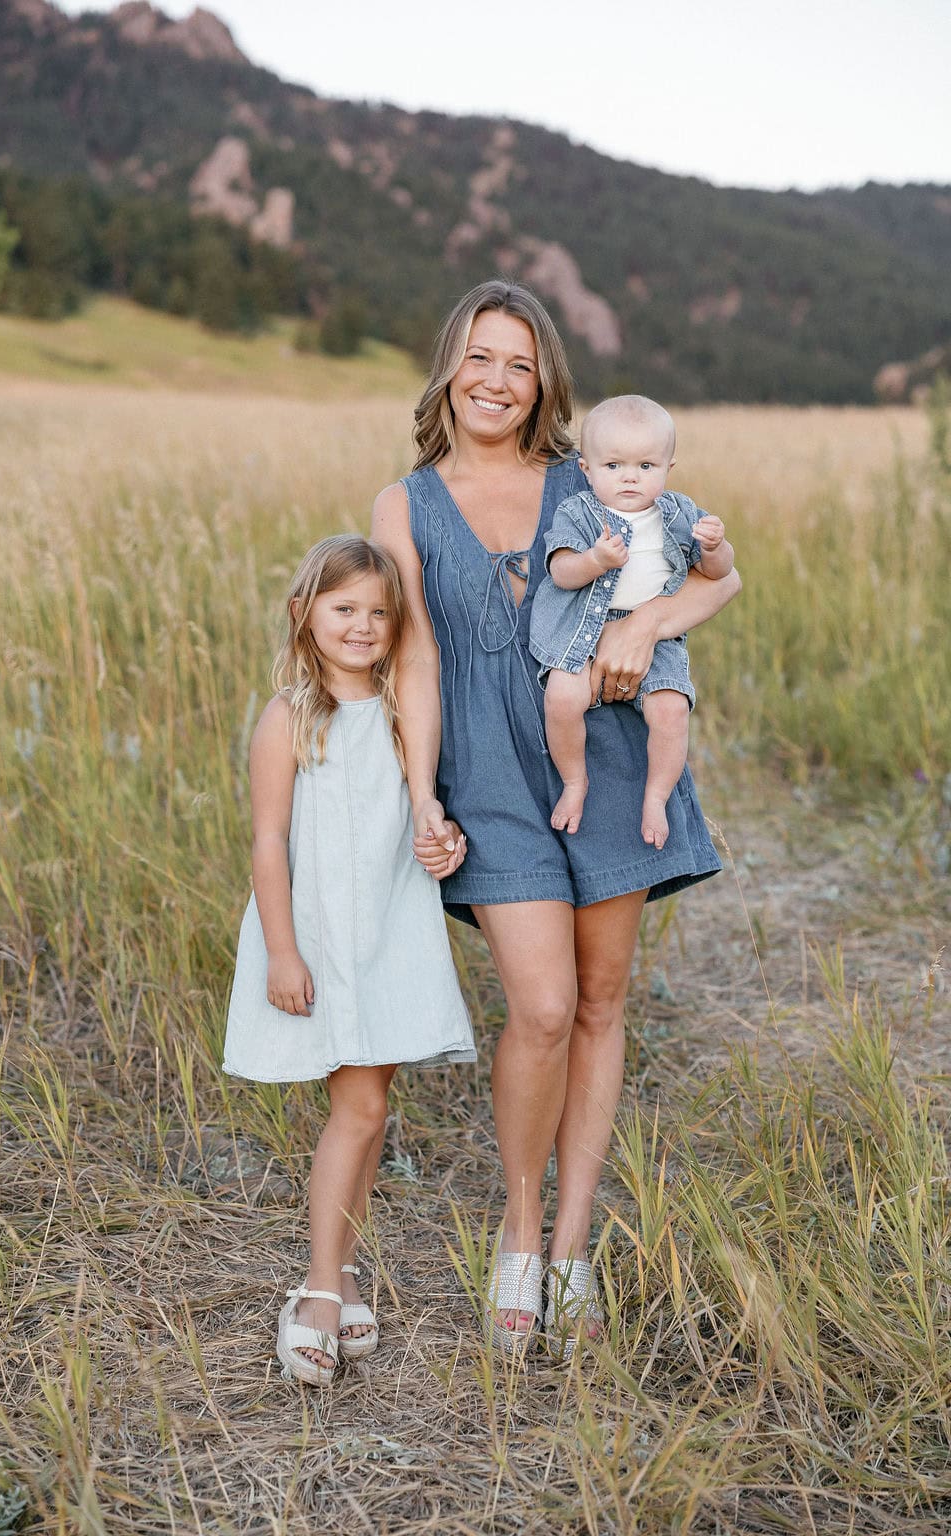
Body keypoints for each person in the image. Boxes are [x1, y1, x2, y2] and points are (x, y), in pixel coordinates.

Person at [372, 280, 739, 1361]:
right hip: (487, 775)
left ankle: (573, 1243)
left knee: (599, 1002)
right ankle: (521, 1232)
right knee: (540, 1007)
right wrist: (422, 793)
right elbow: (415, 657)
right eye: (480, 357)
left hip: (605, 759)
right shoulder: (405, 504)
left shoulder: (591, 477)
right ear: (450, 367)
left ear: (545, 386)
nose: (496, 381)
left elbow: (717, 578)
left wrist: (647, 624)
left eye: (520, 365)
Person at [222, 535, 476, 1387]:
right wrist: (281, 950)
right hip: (322, 936)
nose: (363, 625)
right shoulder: (290, 716)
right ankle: (320, 1290)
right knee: (359, 1111)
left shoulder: (404, 710)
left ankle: (346, 1268)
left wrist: (445, 841)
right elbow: (268, 841)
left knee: (370, 1108)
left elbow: (424, 816)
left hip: (392, 932)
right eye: (344, 609)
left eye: (378, 612)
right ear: (305, 614)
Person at [530, 394, 734, 843]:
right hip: (580, 630)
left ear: (667, 469)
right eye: (614, 465)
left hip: (658, 639)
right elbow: (561, 572)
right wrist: (595, 560)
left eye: (645, 466)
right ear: (587, 469)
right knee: (561, 699)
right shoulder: (578, 513)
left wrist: (716, 547)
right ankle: (574, 782)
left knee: (671, 709)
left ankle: (656, 797)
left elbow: (720, 574)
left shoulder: (680, 514)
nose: (630, 477)